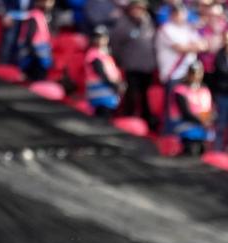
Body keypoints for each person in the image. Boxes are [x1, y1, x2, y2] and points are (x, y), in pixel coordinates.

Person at [109, 0, 157, 130]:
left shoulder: (149, 22)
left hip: (148, 65)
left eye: (141, 8)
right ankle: (128, 118)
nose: (138, 11)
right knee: (132, 93)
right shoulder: (123, 24)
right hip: (131, 65)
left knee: (145, 95)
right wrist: (120, 60)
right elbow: (115, 44)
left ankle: (146, 119)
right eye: (136, 8)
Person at [168, 61, 213, 156]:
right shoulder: (180, 90)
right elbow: (185, 113)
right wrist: (202, 122)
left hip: (202, 123)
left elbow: (209, 109)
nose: (196, 76)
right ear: (188, 74)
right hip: (183, 123)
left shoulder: (204, 89)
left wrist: (209, 119)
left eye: (199, 73)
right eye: (193, 73)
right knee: (192, 143)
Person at [84, 26, 124, 118]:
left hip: (108, 95)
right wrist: (116, 86)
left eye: (102, 37)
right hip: (100, 96)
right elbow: (101, 74)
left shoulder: (105, 54)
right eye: (97, 37)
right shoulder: (93, 55)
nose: (100, 40)